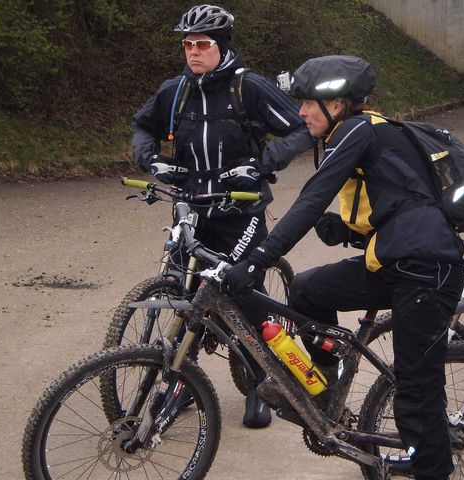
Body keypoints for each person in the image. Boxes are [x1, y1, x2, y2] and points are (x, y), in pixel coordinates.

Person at [225, 55, 464, 480]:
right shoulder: (362, 131)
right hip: (397, 263)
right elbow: (398, 198)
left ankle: (433, 470)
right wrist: (346, 229)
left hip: (428, 271)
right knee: (307, 289)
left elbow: (311, 199)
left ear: (336, 105)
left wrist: (257, 260)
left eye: (307, 103)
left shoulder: (359, 129)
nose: (301, 112)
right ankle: (324, 386)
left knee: (416, 395)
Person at [131, 4, 313, 429]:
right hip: (192, 207)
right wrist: (150, 160)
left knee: (244, 295)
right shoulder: (175, 90)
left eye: (202, 44)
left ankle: (260, 382)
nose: (193, 52)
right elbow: (142, 127)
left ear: (221, 45)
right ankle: (181, 382)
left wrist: (263, 163)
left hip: (241, 210)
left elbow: (302, 128)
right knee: (185, 294)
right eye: (187, 45)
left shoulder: (248, 88)